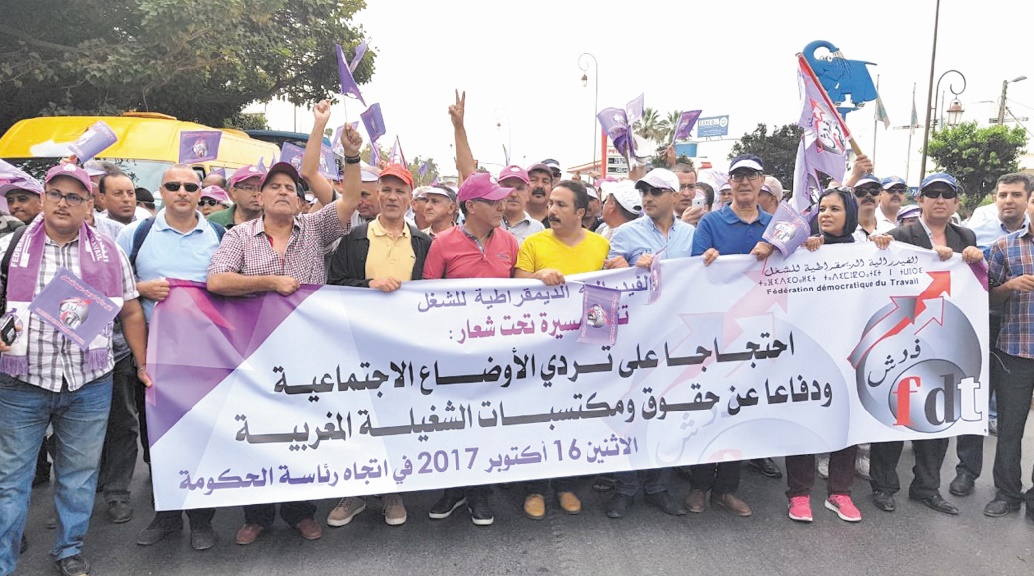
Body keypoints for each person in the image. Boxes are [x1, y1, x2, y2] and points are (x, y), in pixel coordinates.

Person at [207, 125, 363, 545]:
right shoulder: (239, 236)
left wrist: (350, 157)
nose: (281, 192)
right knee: (256, 433)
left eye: (289, 187)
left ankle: (300, 512)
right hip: (253, 355)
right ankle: (256, 515)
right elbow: (217, 281)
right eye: (272, 186)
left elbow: (349, 199)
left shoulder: (315, 230)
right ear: (259, 197)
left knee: (303, 434)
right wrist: (270, 282)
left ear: (299, 199)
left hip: (305, 358)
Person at [0, 163, 150, 576]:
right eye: (55, 194)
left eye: (74, 197)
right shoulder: (11, 248)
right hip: (21, 381)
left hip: (89, 382)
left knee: (78, 476)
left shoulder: (109, 251)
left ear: (89, 206)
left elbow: (131, 311)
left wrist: (142, 364)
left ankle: (69, 549)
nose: (63, 203)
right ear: (43, 199)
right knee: (11, 480)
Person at [119, 164, 225, 551]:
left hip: (203, 354)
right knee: (156, 439)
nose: (182, 192)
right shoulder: (136, 233)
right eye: (173, 186)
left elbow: (231, 285)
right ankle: (166, 515)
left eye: (190, 186)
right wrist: (140, 287)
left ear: (201, 193)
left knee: (200, 435)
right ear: (160, 192)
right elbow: (110, 284)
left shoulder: (217, 234)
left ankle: (201, 519)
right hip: (152, 352)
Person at [868, 172, 984, 516]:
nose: (939, 200)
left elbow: (977, 282)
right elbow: (877, 275)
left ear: (956, 203)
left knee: (937, 417)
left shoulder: (966, 236)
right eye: (931, 193)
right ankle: (884, 485)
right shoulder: (900, 235)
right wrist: (880, 246)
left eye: (946, 195)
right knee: (894, 416)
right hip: (902, 339)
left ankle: (927, 487)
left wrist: (974, 259)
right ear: (919, 200)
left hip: (945, 342)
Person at [422, 172, 519, 526]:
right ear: (471, 206)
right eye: (493, 201)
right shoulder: (442, 243)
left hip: (497, 352)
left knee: (487, 421)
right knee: (453, 422)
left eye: (502, 200)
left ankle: (478, 491)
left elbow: (520, 291)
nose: (501, 206)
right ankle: (453, 488)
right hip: (454, 352)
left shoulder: (509, 241)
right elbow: (427, 296)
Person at [515, 179, 610, 519]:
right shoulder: (533, 242)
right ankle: (536, 488)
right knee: (538, 416)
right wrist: (537, 275)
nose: (552, 210)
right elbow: (510, 286)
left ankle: (567, 484)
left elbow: (611, 286)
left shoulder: (601, 245)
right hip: (540, 347)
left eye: (561, 205)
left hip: (584, 351)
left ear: (581, 213)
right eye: (551, 204)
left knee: (577, 416)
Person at [686, 154, 774, 518]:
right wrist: (708, 259)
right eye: (738, 176)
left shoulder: (776, 224)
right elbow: (693, 271)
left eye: (751, 176)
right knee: (709, 408)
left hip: (759, 329)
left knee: (742, 409)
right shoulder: (710, 222)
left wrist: (781, 246)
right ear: (730, 183)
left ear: (761, 181)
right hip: (717, 329)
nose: (744, 182)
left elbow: (798, 259)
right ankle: (700, 485)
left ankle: (727, 489)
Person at [603, 168, 694, 519]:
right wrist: (623, 265)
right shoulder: (625, 233)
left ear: (674, 196)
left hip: (676, 338)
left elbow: (699, 275)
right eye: (644, 192)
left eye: (656, 191)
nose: (648, 198)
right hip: (633, 340)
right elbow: (606, 277)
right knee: (630, 412)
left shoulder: (691, 235)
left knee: (667, 412)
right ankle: (625, 488)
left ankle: (658, 486)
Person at [785, 187, 866, 523]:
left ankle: (839, 492)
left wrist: (883, 249)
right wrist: (802, 250)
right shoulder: (804, 250)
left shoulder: (866, 252)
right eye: (822, 208)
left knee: (846, 424)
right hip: (808, 352)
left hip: (849, 353)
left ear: (851, 214)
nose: (827, 214)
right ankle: (799, 494)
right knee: (805, 422)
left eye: (835, 208)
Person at [984, 175, 1034, 520]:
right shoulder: (1007, 247)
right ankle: (1007, 493)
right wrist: (1009, 286)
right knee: (1010, 429)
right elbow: (986, 294)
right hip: (1015, 350)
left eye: (1018, 194)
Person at [207, 164, 266, 229]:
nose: (256, 194)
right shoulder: (215, 220)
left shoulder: (275, 220)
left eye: (261, 188)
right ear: (233, 192)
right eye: (249, 188)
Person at [498, 165, 544, 244]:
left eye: (520, 188)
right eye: (508, 188)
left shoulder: (538, 229)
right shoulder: (487, 224)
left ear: (528, 193)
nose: (514, 194)